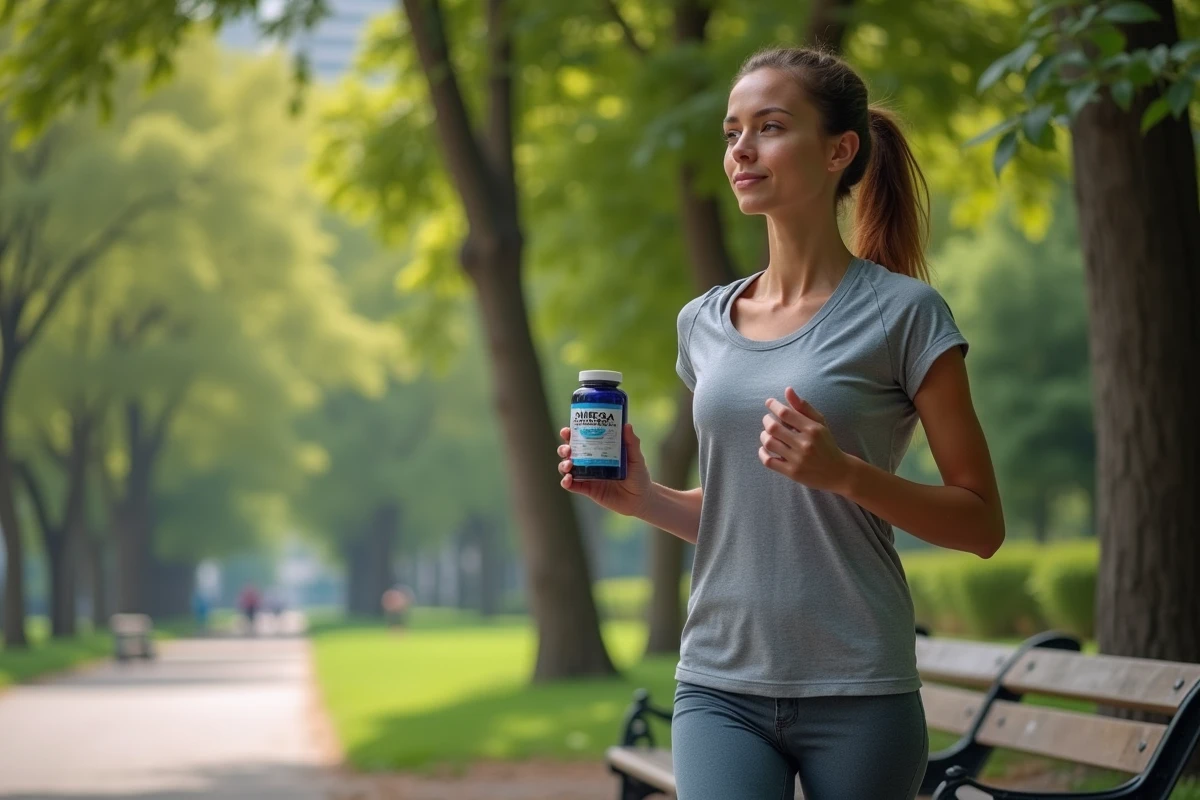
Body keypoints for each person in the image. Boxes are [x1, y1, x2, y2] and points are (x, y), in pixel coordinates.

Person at [557, 46, 1004, 800]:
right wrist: (645, 499)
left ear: (839, 150)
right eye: (732, 132)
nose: (741, 149)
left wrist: (845, 475)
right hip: (719, 682)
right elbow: (750, 517)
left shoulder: (906, 314)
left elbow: (982, 524)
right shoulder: (702, 323)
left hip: (859, 685)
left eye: (769, 127)